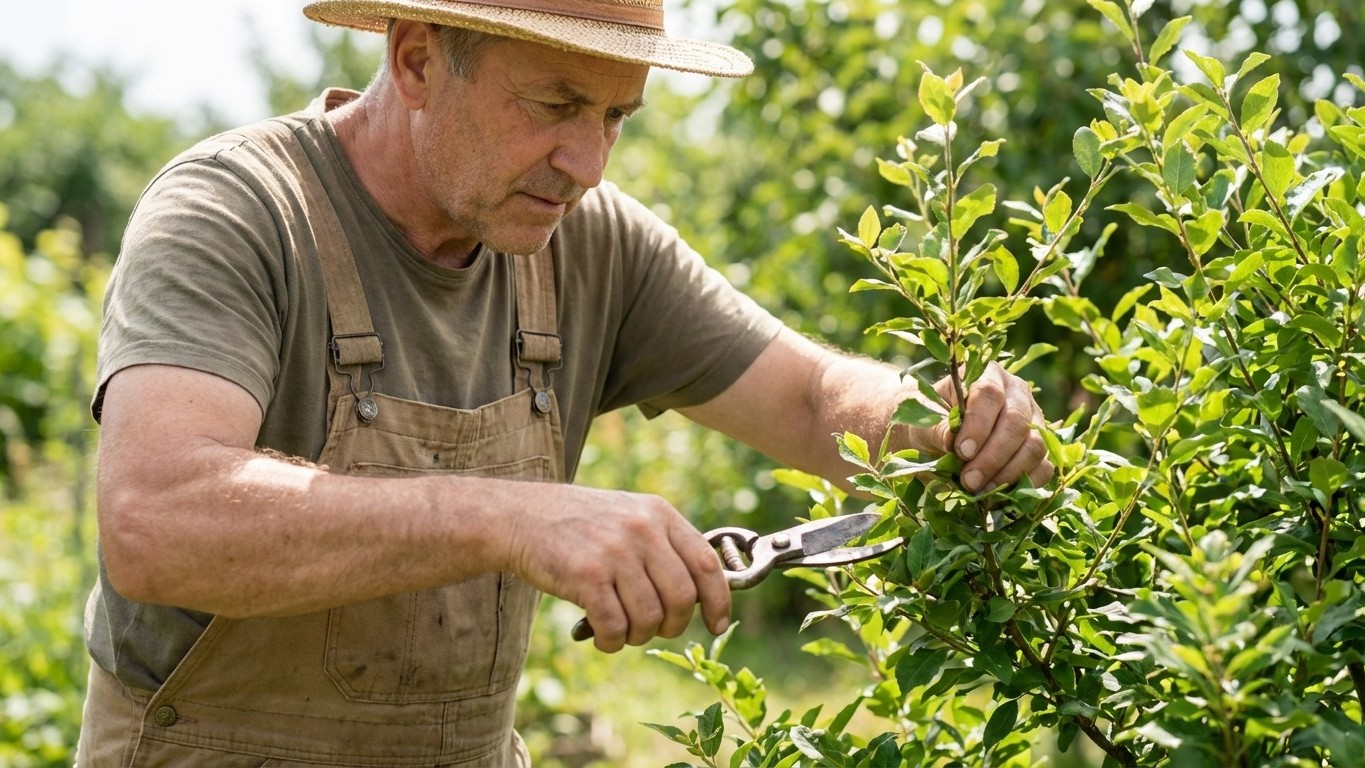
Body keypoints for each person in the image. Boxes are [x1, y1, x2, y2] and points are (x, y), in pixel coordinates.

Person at [76, 0, 1053, 765]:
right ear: (415, 60)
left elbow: (806, 398)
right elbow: (157, 522)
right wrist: (510, 518)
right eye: (553, 105)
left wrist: (943, 423)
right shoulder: (235, 214)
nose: (586, 163)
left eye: (615, 116)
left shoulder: (589, 243)